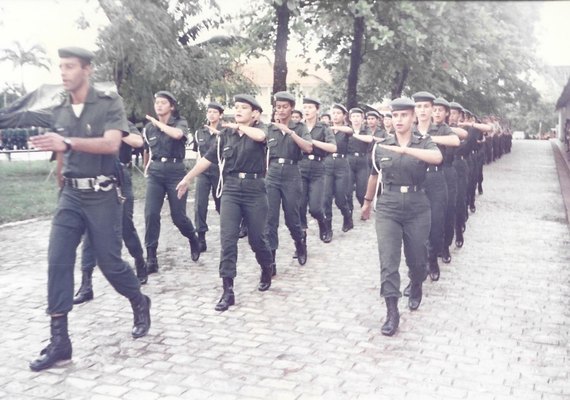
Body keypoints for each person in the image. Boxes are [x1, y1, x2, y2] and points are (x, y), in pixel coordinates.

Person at [28, 47, 150, 372]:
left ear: (87, 69)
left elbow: (112, 144)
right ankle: (60, 342)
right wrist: (61, 190)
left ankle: (139, 301)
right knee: (58, 261)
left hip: (102, 194)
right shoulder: (60, 108)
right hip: (70, 195)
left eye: (70, 67)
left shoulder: (109, 104)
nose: (63, 72)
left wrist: (66, 143)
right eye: (61, 67)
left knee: (110, 263)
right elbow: (60, 157)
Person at [176, 94, 274, 312]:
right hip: (230, 190)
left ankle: (267, 266)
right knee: (228, 240)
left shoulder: (262, 129)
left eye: (244, 108)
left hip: (255, 190)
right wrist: (187, 177)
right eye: (236, 107)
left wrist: (239, 126)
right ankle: (227, 290)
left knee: (257, 240)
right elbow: (207, 159)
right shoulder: (225, 135)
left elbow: (259, 136)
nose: (238, 110)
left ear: (255, 113)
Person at [361, 97, 442, 336]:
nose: (398, 120)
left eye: (403, 115)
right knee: (388, 260)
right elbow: (375, 176)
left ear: (413, 117)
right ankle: (392, 311)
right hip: (389, 206)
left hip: (418, 205)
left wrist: (407, 149)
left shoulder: (424, 141)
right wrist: (366, 203)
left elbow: (437, 158)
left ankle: (416, 282)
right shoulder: (382, 144)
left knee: (417, 259)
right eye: (394, 116)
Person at [74, 121, 149, 305]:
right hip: (92, 178)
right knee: (90, 232)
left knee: (125, 225)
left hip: (118, 177)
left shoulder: (123, 123)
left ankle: (139, 260)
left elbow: (139, 142)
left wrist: (116, 131)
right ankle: (86, 284)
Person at [143, 90, 201, 274]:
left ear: (172, 107)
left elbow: (177, 135)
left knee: (178, 217)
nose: (158, 105)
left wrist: (158, 124)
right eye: (156, 102)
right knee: (151, 214)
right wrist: (147, 167)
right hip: (156, 173)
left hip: (176, 173)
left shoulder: (179, 122)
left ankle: (193, 238)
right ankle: (151, 257)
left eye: (163, 103)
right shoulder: (149, 128)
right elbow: (147, 150)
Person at [411, 91, 459, 283]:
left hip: (436, 179)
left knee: (437, 225)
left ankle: (433, 258)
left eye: (426, 107)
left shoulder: (442, 129)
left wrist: (428, 139)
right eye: (419, 107)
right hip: (415, 180)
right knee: (415, 227)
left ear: (432, 110)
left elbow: (455, 140)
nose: (422, 110)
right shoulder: (409, 129)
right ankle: (419, 266)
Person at [265, 91, 313, 267]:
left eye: (285, 107)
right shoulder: (269, 129)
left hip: (292, 173)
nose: (281, 110)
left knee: (292, 218)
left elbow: (308, 147)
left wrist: (289, 132)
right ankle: (271, 261)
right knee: (270, 219)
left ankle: (300, 243)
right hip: (273, 174)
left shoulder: (300, 128)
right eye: (278, 107)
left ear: (292, 108)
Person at [299, 97, 337, 242]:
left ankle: (323, 223)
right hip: (300, 167)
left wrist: (312, 141)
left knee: (315, 208)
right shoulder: (298, 127)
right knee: (300, 206)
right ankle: (300, 241)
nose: (307, 110)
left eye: (310, 107)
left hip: (318, 168)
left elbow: (333, 147)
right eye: (305, 107)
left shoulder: (324, 128)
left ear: (317, 110)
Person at [192, 102, 223, 252]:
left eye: (215, 112)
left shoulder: (225, 132)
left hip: (219, 171)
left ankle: (230, 230)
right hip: (203, 172)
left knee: (221, 203)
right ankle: (201, 237)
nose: (211, 115)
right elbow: (198, 153)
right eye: (209, 112)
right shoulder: (200, 133)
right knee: (200, 204)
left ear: (220, 115)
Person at [323, 103, 354, 241]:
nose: (335, 116)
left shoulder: (345, 130)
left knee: (341, 198)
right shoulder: (326, 129)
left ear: (343, 116)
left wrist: (334, 127)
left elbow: (350, 131)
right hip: (328, 163)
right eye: (333, 113)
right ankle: (328, 229)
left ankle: (347, 216)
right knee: (326, 198)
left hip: (342, 164)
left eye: (338, 113)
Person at [346, 107, 371, 213]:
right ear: (350, 119)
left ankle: (364, 207)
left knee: (361, 191)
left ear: (362, 119)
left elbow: (370, 139)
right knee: (347, 189)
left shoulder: (366, 130)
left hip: (362, 160)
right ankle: (349, 210)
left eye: (358, 116)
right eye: (353, 116)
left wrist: (354, 135)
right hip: (349, 159)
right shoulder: (346, 129)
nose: (356, 119)